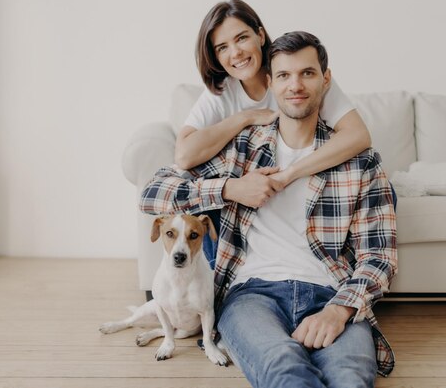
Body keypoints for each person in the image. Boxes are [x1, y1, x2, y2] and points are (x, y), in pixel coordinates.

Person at [140, 31, 397, 387]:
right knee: (285, 371)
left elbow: (379, 257)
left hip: (331, 292)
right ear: (270, 84)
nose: (295, 85)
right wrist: (230, 188)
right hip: (252, 295)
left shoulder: (361, 163)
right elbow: (153, 193)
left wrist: (340, 310)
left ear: (326, 79)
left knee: (350, 378)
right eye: (283, 76)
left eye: (307, 73)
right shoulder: (240, 150)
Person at [176, 0, 373, 267]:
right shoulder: (222, 92)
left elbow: (358, 136)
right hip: (253, 196)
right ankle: (215, 288)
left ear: (259, 35)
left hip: (306, 181)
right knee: (205, 201)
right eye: (222, 47)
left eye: (241, 38)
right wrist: (245, 117)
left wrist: (290, 173)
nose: (235, 53)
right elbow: (184, 157)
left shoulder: (296, 73)